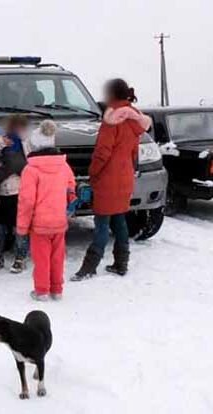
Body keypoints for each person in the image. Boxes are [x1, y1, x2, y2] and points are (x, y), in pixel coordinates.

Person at [72, 79, 152, 281]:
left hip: (108, 177)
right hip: (125, 176)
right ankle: (121, 263)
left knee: (101, 224)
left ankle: (89, 267)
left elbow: (102, 153)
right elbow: (134, 152)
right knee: (119, 220)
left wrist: (93, 173)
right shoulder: (135, 119)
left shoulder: (112, 119)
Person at [17, 121, 76, 301]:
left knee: (41, 258)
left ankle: (42, 290)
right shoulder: (64, 166)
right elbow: (70, 188)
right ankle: (57, 289)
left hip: (39, 224)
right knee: (57, 257)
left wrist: (22, 226)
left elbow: (26, 200)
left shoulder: (31, 169)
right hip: (59, 221)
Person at [0, 115, 31, 274]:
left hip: (18, 192)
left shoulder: (26, 143)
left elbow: (31, 161)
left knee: (20, 228)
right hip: (1, 193)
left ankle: (20, 258)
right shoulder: (0, 142)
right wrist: (0, 144)